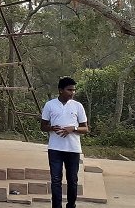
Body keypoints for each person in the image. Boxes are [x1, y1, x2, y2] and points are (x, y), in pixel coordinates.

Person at [40, 77, 89, 208]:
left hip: (73, 149)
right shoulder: (50, 105)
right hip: (55, 148)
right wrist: (51, 128)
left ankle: (71, 205)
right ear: (61, 90)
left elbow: (86, 128)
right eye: (69, 90)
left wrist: (73, 128)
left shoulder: (78, 106)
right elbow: (43, 126)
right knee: (56, 180)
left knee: (72, 180)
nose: (72, 92)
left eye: (74, 90)